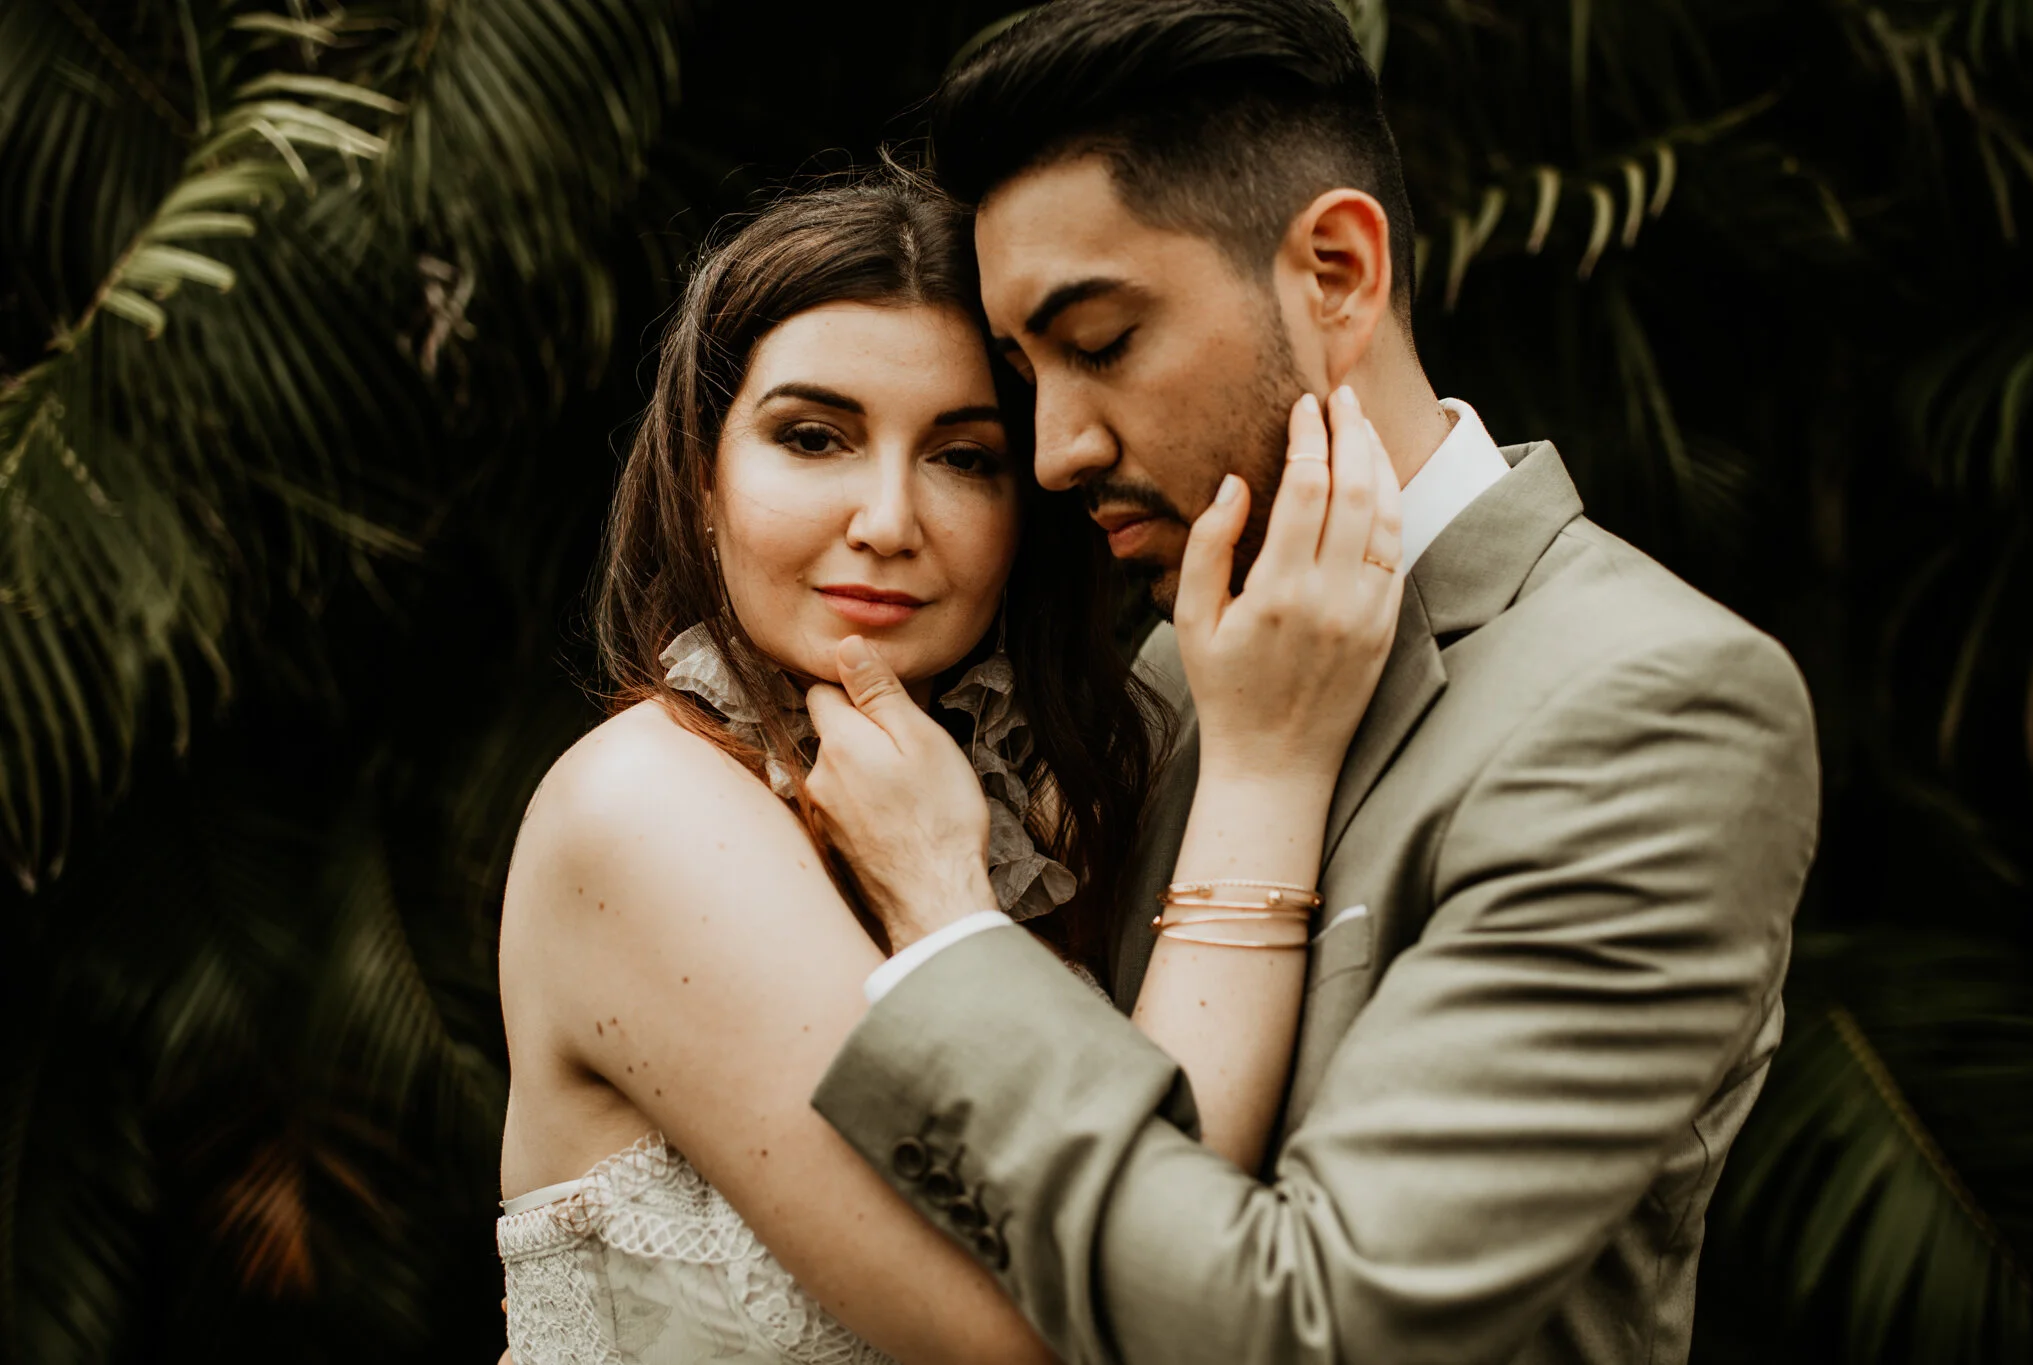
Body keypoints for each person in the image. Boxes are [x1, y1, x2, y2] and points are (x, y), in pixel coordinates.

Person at [798, 3, 1824, 1364]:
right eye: (1026, 373)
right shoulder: (1176, 666)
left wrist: (944, 922)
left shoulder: (1654, 708)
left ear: (1336, 273)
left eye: (1098, 342)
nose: (1054, 450)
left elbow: (1313, 1329)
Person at [492, 167, 1403, 1364]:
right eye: (811, 438)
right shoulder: (645, 812)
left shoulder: (1044, 810)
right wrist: (1264, 769)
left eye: (964, 458)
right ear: (701, 478)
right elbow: (1088, 1320)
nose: (886, 521)